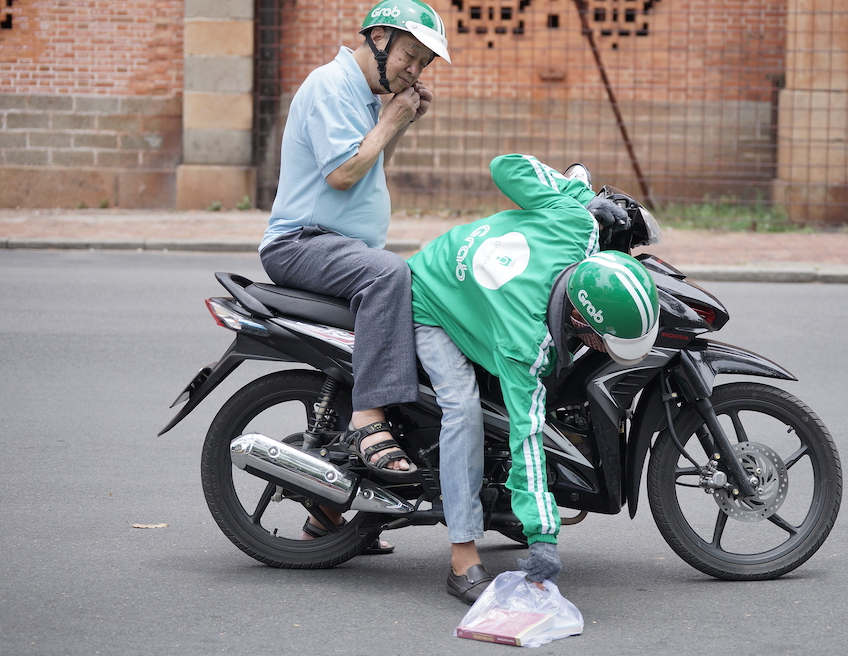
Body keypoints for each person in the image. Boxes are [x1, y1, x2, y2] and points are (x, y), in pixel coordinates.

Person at [407, 154, 660, 603]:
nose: (605, 352)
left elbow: (507, 165)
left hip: (470, 271)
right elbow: (529, 437)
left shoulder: (579, 228)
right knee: (463, 410)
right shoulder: (525, 346)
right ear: (583, 324)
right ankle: (462, 554)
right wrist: (545, 537)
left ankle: (501, 505)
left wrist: (578, 196)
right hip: (430, 296)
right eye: (606, 342)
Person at [259, 0, 450, 486]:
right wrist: (390, 121)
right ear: (379, 39)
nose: (414, 69)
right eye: (409, 54)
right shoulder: (331, 85)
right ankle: (368, 419)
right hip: (301, 243)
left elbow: (370, 162)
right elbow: (343, 174)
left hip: (336, 247)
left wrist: (398, 122)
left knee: (430, 281)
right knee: (388, 272)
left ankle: (328, 517)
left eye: (423, 63)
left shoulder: (365, 94)